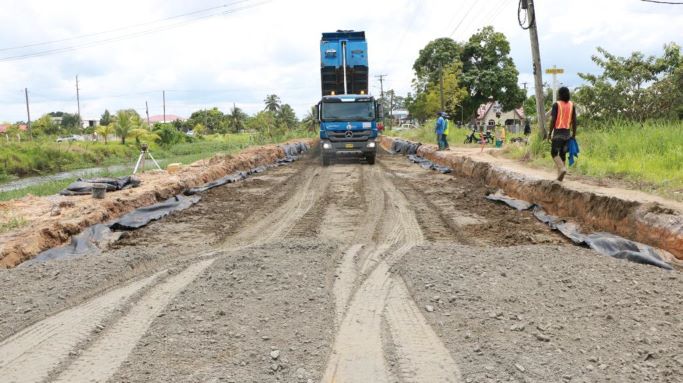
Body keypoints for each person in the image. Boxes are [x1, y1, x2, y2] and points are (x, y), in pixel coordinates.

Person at [548, 86, 577, 181]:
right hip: (567, 134)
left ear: (559, 94)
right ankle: (560, 178)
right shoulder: (572, 105)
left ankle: (562, 169)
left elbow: (553, 120)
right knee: (562, 154)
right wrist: (574, 134)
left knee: (554, 153)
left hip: (558, 134)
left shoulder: (556, 105)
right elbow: (574, 121)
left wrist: (549, 133)